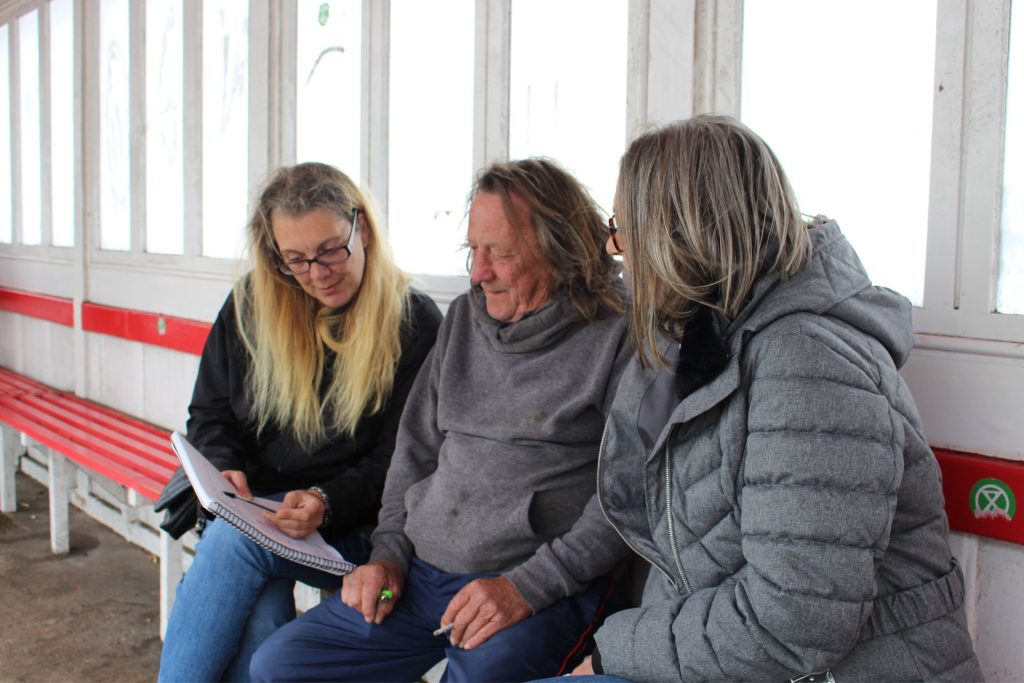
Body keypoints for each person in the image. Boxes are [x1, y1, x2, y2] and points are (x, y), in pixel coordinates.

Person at [550, 115, 983, 682]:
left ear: (678, 235)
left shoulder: (807, 364)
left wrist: (619, 649)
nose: (613, 248)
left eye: (622, 227)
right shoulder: (696, 342)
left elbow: (795, 620)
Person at [249, 158, 633, 683]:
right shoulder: (463, 319)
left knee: (480, 672)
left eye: (500, 253)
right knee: (282, 665)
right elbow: (414, 455)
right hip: (419, 573)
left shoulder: (621, 332)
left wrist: (527, 587)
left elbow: (625, 498)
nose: (478, 273)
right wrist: (387, 557)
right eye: (474, 250)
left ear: (560, 250)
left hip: (535, 583)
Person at [157, 162, 443, 682]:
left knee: (235, 544)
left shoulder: (413, 321)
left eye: (331, 249)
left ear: (362, 228)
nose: (317, 273)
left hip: (357, 529)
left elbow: (403, 461)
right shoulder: (253, 301)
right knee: (259, 599)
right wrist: (223, 467)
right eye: (296, 260)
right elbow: (211, 413)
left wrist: (325, 500)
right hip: (259, 512)